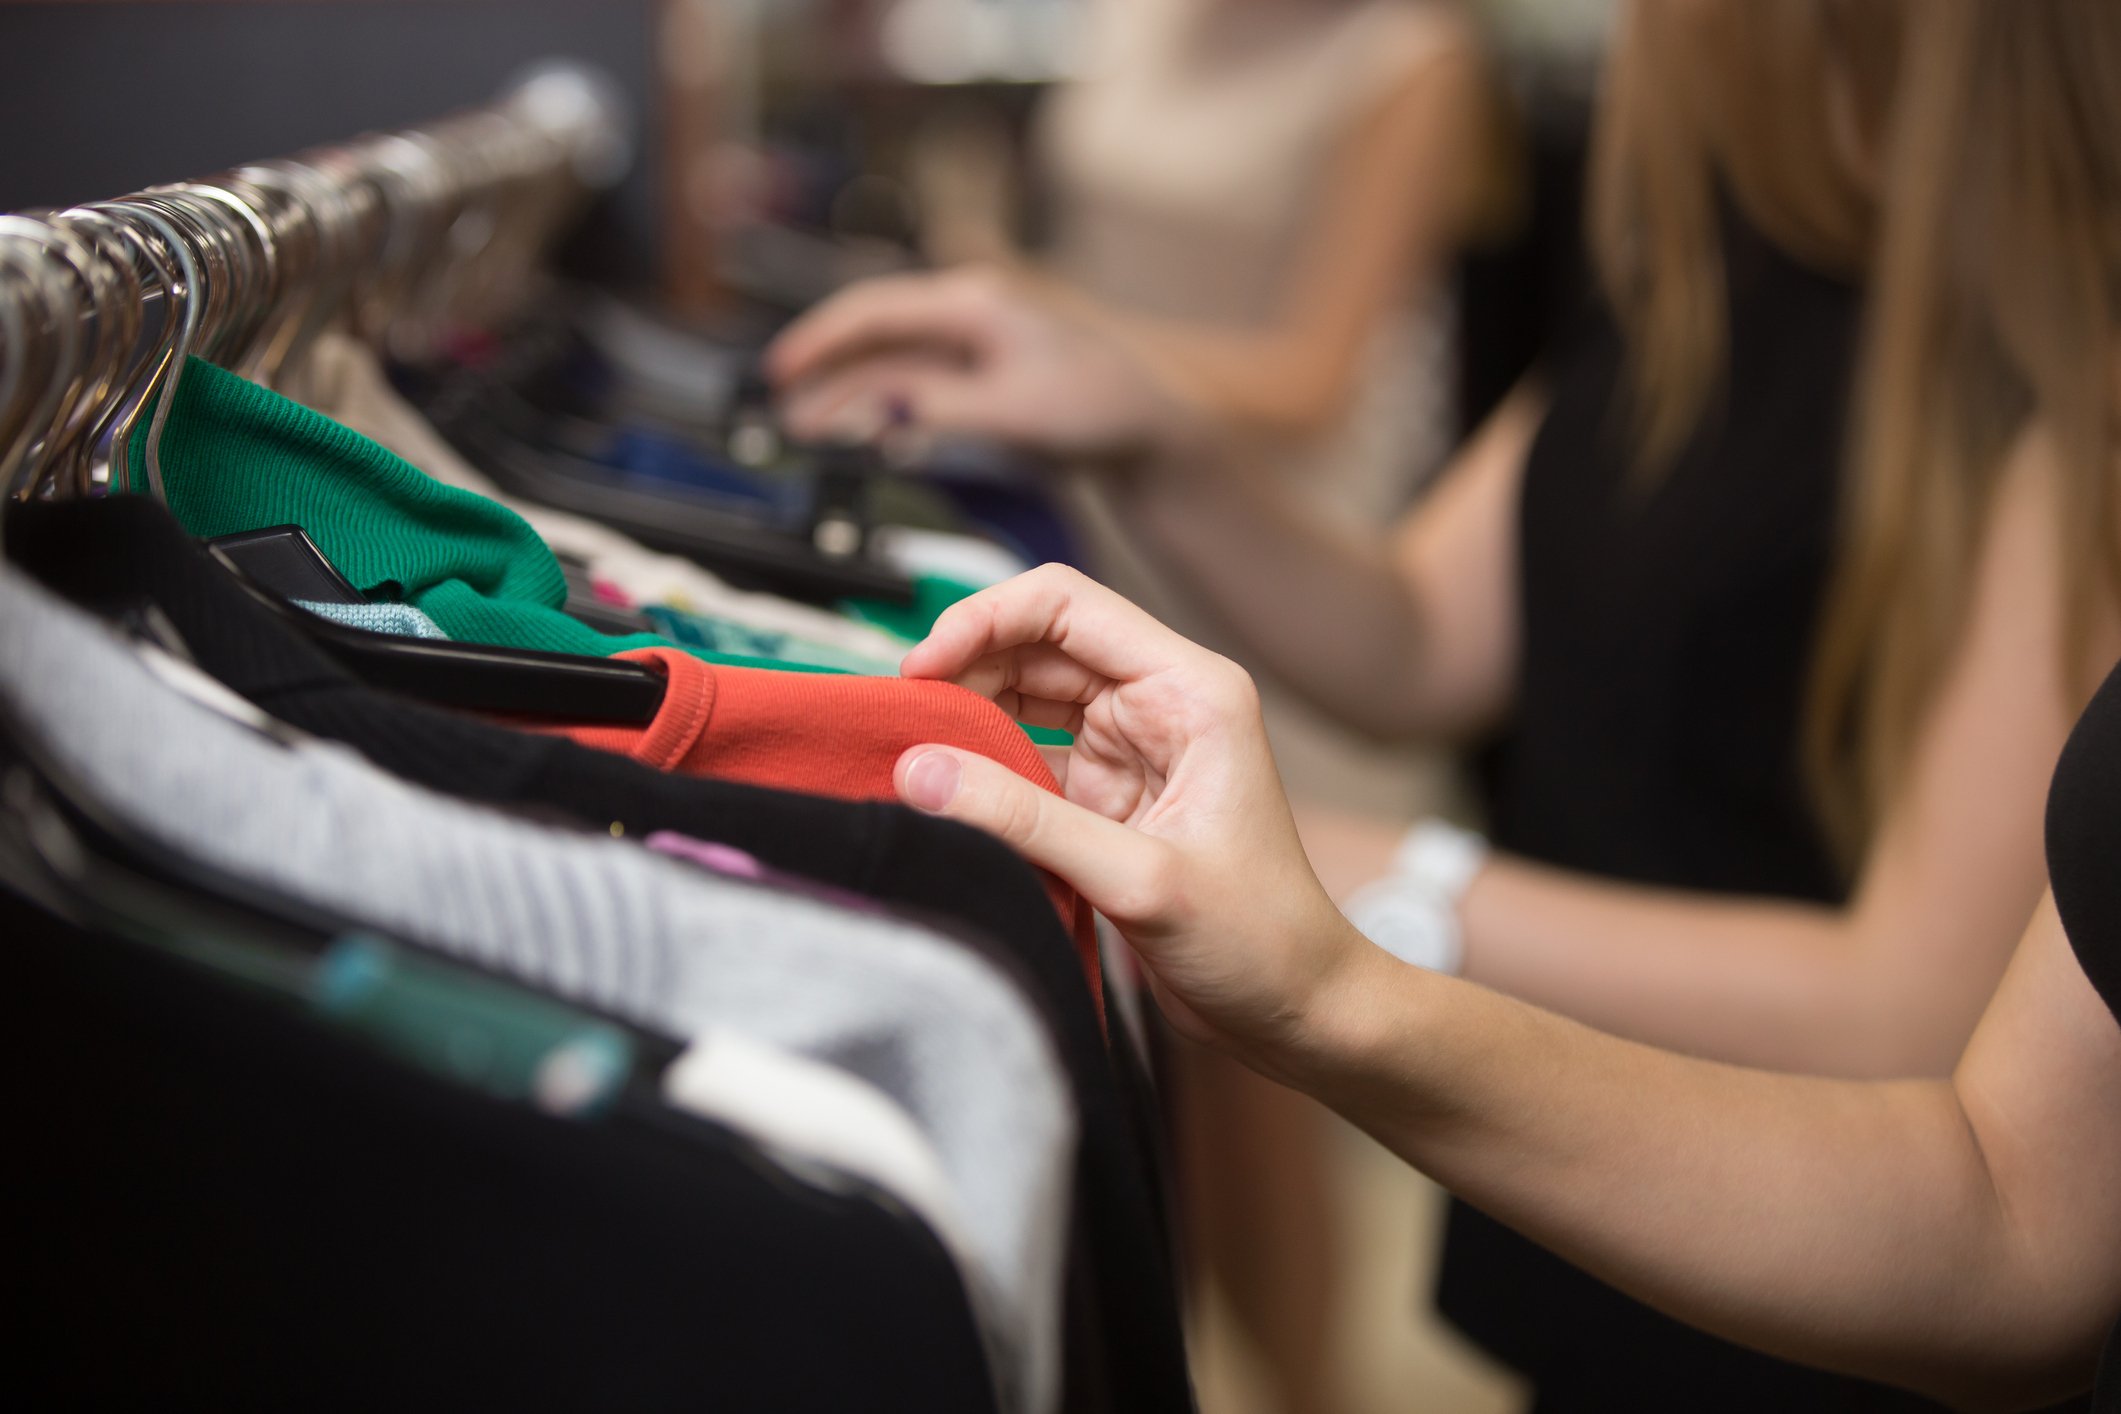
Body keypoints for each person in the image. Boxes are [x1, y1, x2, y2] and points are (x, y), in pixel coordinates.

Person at [767, 0, 2121, 1405]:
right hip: (1594, 1207)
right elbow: (1413, 633)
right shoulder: (1707, 276)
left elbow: (1900, 1012)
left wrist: (1372, 887)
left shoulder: (2064, 379)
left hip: (1813, 1269)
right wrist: (1147, 427)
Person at [916, 5, 1501, 1407]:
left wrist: (1052, 320)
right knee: (1185, 1059)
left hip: (1282, 556)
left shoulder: (1407, 59)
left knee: (1264, 1060)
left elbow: (1315, 375)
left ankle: (1308, 1384)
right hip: (1096, 525)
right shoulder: (1145, 21)